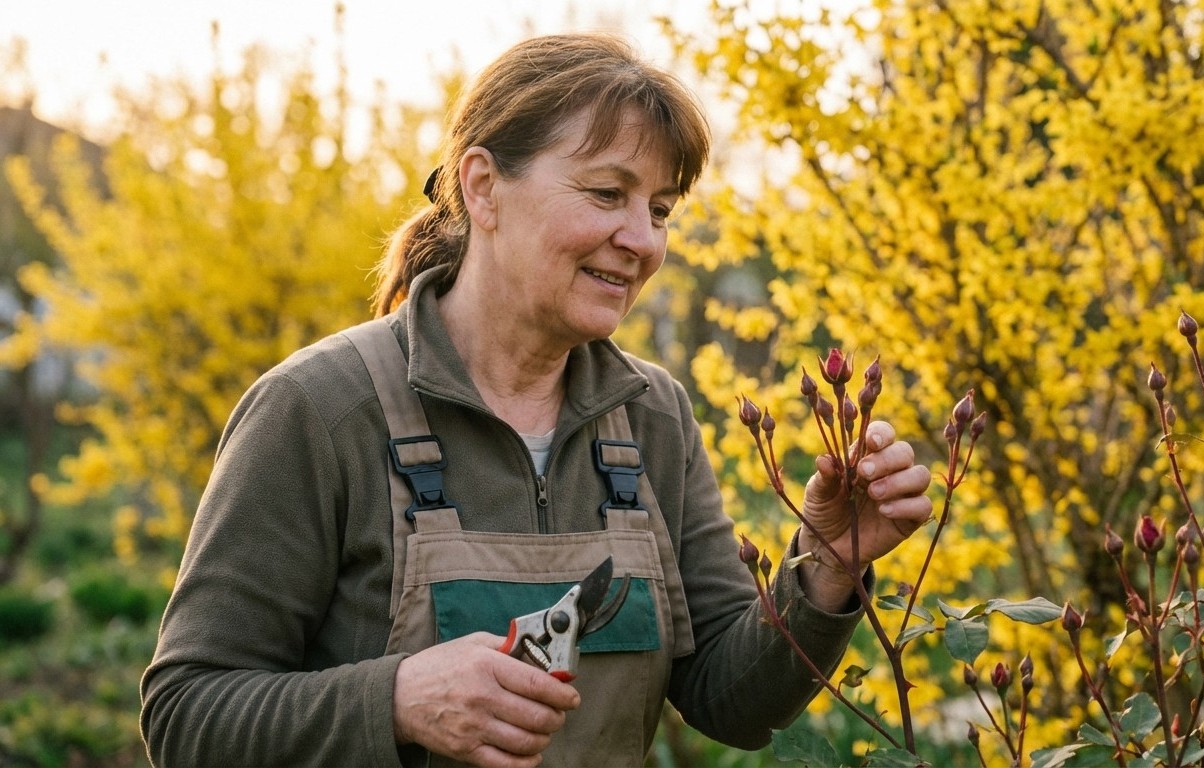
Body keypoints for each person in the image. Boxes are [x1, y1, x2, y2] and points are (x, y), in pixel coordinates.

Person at [140, 32, 933, 768]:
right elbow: (186, 713)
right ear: (482, 187)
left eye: (658, 209)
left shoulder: (653, 418)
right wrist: (395, 700)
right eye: (605, 193)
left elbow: (726, 700)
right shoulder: (319, 411)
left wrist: (828, 568)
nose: (642, 239)